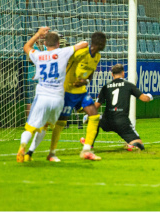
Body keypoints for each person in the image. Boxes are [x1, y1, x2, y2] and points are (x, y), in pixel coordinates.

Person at [24, 32, 107, 162]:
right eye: (104, 42)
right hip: (67, 91)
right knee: (61, 123)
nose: (105, 45)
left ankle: (86, 150)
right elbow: (63, 62)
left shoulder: (97, 57)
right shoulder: (81, 53)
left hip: (81, 92)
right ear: (99, 43)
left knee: (94, 115)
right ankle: (51, 153)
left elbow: (90, 74)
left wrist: (85, 81)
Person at [17, 27, 88, 162]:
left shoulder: (38, 55)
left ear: (44, 44)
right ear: (58, 43)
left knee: (31, 127)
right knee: (44, 127)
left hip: (42, 96)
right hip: (57, 99)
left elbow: (26, 46)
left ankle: (23, 146)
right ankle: (29, 153)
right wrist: (75, 46)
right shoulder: (63, 52)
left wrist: (38, 34)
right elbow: (84, 44)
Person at [91, 64, 153, 151]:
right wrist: (150, 96)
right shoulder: (128, 85)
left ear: (112, 74)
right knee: (139, 145)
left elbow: (95, 107)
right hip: (122, 122)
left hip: (107, 120)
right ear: (123, 73)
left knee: (95, 120)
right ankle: (132, 144)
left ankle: (89, 144)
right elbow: (144, 99)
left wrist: (87, 115)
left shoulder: (105, 87)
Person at [25, 30, 46, 119]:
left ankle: (40, 120)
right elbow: (29, 59)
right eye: (40, 35)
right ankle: (29, 120)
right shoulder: (32, 46)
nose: (42, 37)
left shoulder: (45, 47)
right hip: (32, 76)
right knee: (31, 100)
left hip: (42, 78)